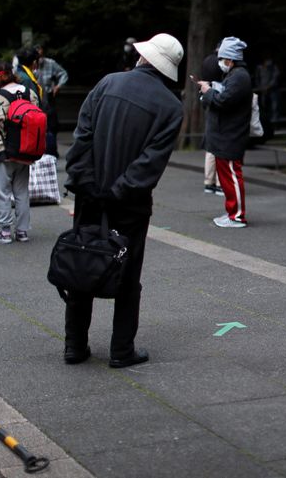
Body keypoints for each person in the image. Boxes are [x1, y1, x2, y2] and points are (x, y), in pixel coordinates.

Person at [63, 33, 184, 367]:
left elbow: (82, 136)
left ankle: (74, 346)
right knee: (128, 276)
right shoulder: (171, 107)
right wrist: (118, 191)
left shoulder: (107, 83)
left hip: (90, 197)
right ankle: (121, 350)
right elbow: (150, 162)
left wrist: (86, 183)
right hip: (130, 204)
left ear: (143, 57)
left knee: (82, 263)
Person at [0, 61, 40, 244]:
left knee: (2, 192)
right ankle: (22, 232)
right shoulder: (30, 94)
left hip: (2, 152)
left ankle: (4, 233)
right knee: (22, 193)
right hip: (26, 151)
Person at [197, 36, 252, 228]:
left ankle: (237, 215)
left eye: (222, 59)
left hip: (230, 134)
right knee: (228, 177)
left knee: (232, 176)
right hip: (226, 134)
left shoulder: (239, 77)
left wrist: (208, 91)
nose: (220, 63)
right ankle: (232, 212)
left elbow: (223, 101)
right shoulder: (236, 75)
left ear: (230, 59)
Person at [35, 44, 69, 156]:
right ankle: (40, 150)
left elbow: (63, 74)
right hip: (35, 99)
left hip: (48, 97)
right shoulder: (30, 66)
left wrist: (58, 86)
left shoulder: (50, 63)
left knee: (52, 125)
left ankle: (52, 151)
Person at [200, 44, 223, 196]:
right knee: (221, 147)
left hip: (207, 100)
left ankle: (209, 182)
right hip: (220, 101)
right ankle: (221, 183)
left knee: (210, 149)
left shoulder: (207, 60)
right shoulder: (221, 63)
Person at [255, 54, 282, 126]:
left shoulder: (274, 67)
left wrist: (269, 86)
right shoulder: (259, 68)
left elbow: (275, 77)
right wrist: (260, 87)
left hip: (273, 90)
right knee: (264, 107)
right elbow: (257, 78)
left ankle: (275, 123)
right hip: (263, 90)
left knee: (274, 106)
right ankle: (266, 122)